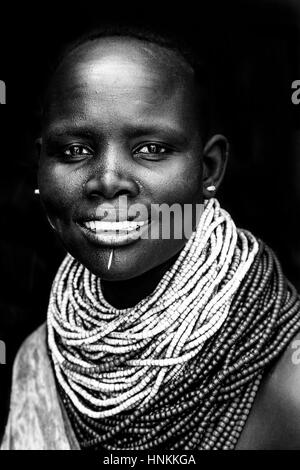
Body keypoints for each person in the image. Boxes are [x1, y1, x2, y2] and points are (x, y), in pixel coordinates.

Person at [1, 24, 300, 450]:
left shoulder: (286, 378)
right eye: (74, 150)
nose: (107, 181)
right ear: (40, 168)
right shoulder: (41, 356)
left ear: (209, 168)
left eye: (151, 149)